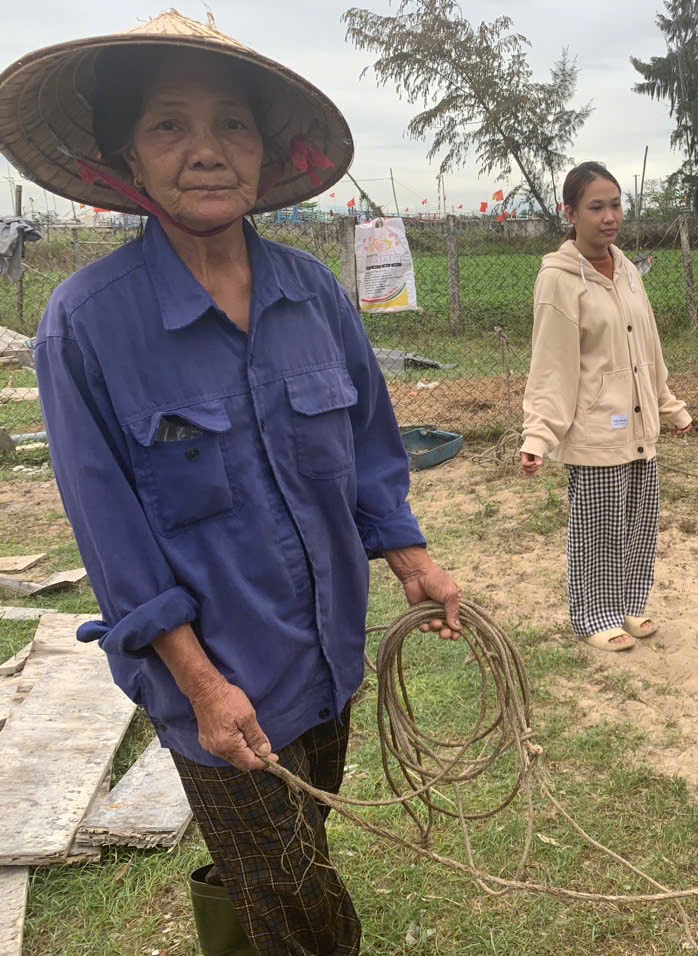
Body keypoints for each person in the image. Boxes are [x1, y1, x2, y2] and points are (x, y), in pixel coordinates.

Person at [0, 11, 462, 955]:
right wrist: (204, 687)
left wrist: (412, 557)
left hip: (329, 658)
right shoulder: (86, 325)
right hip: (217, 683)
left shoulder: (314, 294)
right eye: (170, 125)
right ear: (126, 155)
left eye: (233, 126)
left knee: (296, 855)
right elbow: (114, 541)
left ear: (265, 151)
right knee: (303, 913)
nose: (206, 152)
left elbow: (372, 447)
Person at [519, 162, 693, 652]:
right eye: (596, 207)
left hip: (638, 429)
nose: (609, 216)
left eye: (615, 205)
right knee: (598, 528)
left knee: (638, 522)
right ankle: (594, 614)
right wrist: (539, 434)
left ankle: (628, 605)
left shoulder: (629, 270)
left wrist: (670, 406)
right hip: (594, 431)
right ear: (570, 212)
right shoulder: (558, 279)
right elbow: (551, 364)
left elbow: (648, 350)